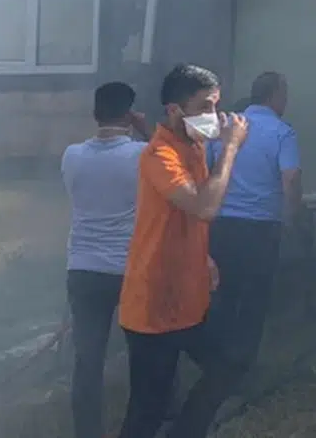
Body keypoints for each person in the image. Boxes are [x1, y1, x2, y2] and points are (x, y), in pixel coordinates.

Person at [116, 63, 250, 438]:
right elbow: (205, 207)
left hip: (187, 298)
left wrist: (202, 255)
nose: (215, 116)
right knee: (148, 411)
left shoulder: (193, 145)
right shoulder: (160, 155)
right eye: (206, 107)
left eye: (216, 105)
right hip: (154, 304)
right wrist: (231, 149)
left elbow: (185, 216)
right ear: (175, 111)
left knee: (229, 365)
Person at [61, 82, 148, 438]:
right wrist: (145, 128)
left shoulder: (71, 155)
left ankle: (87, 431)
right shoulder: (141, 154)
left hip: (82, 267)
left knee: (87, 360)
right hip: (127, 269)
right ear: (129, 114)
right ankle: (145, 424)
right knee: (144, 354)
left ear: (95, 114)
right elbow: (174, 158)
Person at [206, 71, 302, 373]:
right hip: (261, 229)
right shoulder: (282, 132)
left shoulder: (225, 127)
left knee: (222, 295)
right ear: (274, 95)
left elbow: (207, 172)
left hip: (221, 226)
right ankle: (240, 369)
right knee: (253, 301)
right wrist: (291, 218)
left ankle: (213, 364)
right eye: (284, 95)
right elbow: (290, 179)